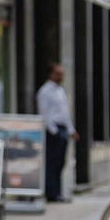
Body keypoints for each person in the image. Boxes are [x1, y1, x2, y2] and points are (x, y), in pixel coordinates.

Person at [36, 62, 78, 202]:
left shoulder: (60, 90)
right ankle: (51, 193)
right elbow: (44, 113)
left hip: (63, 129)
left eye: (62, 74)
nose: (61, 77)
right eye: (58, 73)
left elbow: (64, 113)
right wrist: (53, 131)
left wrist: (70, 130)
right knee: (52, 162)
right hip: (53, 130)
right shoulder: (45, 91)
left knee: (60, 163)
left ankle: (58, 192)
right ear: (51, 74)